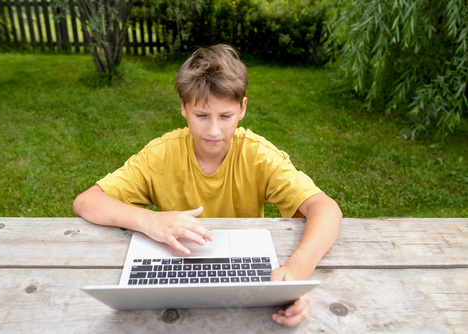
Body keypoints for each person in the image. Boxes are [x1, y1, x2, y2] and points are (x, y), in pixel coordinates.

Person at [73, 44, 342, 327]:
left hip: (243, 272)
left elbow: (325, 208)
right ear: (183, 108)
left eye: (225, 116)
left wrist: (297, 271)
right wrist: (150, 220)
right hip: (176, 266)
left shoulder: (258, 155)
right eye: (201, 115)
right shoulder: (160, 154)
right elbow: (86, 201)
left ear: (242, 108)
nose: (213, 131)